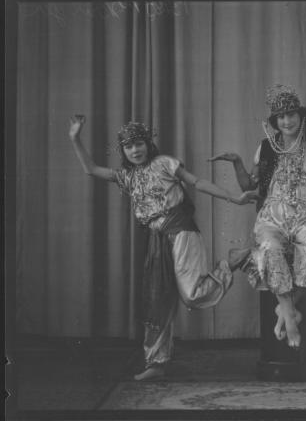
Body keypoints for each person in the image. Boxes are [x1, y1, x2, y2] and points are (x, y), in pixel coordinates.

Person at [69, 115, 255, 381]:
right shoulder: (128, 177)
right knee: (158, 299)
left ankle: (232, 262)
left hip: (180, 231)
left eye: (139, 143)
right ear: (123, 150)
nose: (135, 150)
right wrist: (75, 138)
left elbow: (197, 183)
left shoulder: (164, 163)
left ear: (148, 144)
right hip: (157, 240)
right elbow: (91, 169)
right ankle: (156, 363)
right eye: (129, 146)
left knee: (192, 295)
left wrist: (234, 198)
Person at [209, 85, 306, 348]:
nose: (287, 121)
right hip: (272, 216)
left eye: (291, 114)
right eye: (281, 117)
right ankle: (292, 320)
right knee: (270, 249)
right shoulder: (266, 149)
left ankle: (285, 312)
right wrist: (237, 162)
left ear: (301, 116)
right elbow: (250, 187)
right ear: (274, 122)